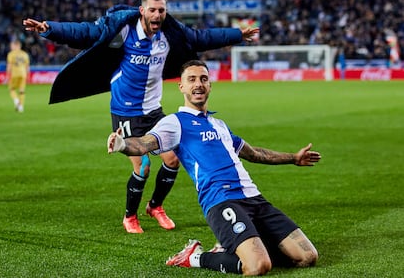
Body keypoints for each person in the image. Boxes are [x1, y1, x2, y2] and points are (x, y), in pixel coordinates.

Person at [23, 0, 259, 234]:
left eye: (162, 10)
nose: (158, 15)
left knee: (172, 159)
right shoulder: (123, 30)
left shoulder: (169, 34)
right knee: (143, 166)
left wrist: (236, 35)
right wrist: (48, 28)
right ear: (142, 10)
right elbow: (85, 32)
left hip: (153, 110)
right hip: (125, 112)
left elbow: (200, 37)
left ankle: (155, 206)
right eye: (153, 10)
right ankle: (130, 216)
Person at [107, 59, 321, 275]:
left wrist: (294, 157)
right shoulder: (176, 122)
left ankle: (237, 246)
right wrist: (123, 144)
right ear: (181, 86)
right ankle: (196, 256)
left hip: (255, 198)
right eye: (191, 80)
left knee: (307, 256)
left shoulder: (219, 125)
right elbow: (145, 143)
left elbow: (254, 153)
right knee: (258, 266)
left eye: (203, 79)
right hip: (221, 201)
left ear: (210, 85)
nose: (198, 84)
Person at [6, 40, 30, 112]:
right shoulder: (25, 54)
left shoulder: (11, 54)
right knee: (22, 91)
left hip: (15, 74)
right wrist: (28, 75)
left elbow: (9, 65)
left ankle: (16, 102)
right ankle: (21, 107)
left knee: (11, 89)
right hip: (23, 74)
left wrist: (7, 74)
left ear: (16, 45)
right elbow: (27, 66)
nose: (11, 47)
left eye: (12, 45)